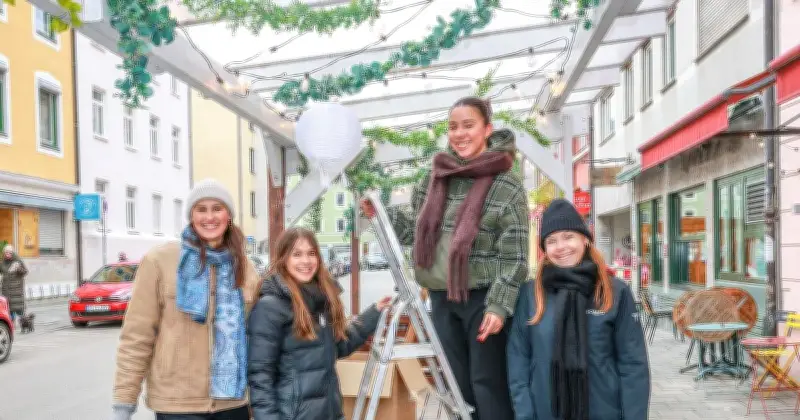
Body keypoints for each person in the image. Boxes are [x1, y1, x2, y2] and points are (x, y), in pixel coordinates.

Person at [360, 96, 529, 419]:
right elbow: (415, 232)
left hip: (482, 298)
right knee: (455, 387)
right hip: (440, 298)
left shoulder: (505, 184)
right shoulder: (434, 177)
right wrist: (382, 215)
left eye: (468, 125)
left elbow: (516, 255)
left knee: (487, 385)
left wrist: (499, 305)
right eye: (453, 127)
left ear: (486, 129)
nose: (460, 133)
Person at [112, 179, 263, 420]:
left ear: (229, 216)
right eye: (201, 209)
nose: (209, 217)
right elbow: (137, 336)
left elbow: (259, 338)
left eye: (217, 208)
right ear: (191, 215)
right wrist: (124, 402)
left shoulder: (245, 268)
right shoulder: (160, 261)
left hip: (233, 404)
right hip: (177, 405)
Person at [507, 199, 650, 420]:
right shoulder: (530, 294)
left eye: (568, 236)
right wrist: (525, 413)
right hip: (546, 412)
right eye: (552, 241)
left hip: (604, 412)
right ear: (544, 248)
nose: (561, 246)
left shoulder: (615, 292)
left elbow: (633, 364)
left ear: (584, 239)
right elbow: (518, 359)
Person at [247, 227, 391, 420]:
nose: (306, 261)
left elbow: (339, 346)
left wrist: (373, 314)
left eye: (311, 253)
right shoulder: (270, 307)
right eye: (297, 254)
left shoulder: (320, 299)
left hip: (329, 413)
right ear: (283, 259)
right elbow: (260, 376)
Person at [0, 244, 28, 326]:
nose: (7, 254)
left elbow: (25, 271)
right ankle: (11, 323)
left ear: (12, 253)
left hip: (16, 290)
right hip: (6, 290)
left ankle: (25, 323)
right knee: (8, 308)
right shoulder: (2, 263)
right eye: (6, 253)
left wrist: (19, 269)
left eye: (9, 253)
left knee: (19, 309)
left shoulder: (18, 261)